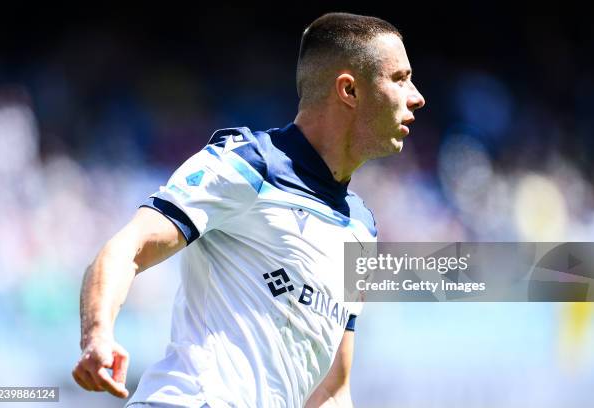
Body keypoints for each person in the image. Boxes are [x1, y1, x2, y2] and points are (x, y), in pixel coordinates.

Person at [72, 11, 425, 408]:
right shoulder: (248, 165)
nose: (417, 96)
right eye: (399, 79)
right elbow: (129, 247)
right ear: (349, 90)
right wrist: (98, 335)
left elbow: (330, 391)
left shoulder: (362, 230)